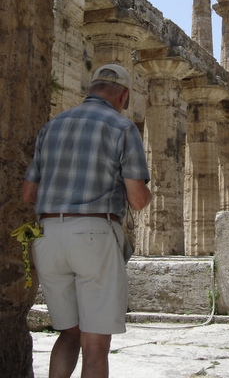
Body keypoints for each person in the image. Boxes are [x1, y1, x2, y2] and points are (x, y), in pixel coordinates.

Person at [22, 63, 152, 378]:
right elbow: (137, 198)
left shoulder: (52, 126)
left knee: (69, 333)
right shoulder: (122, 127)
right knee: (95, 345)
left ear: (90, 88)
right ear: (124, 95)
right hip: (93, 234)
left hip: (47, 235)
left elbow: (28, 193)